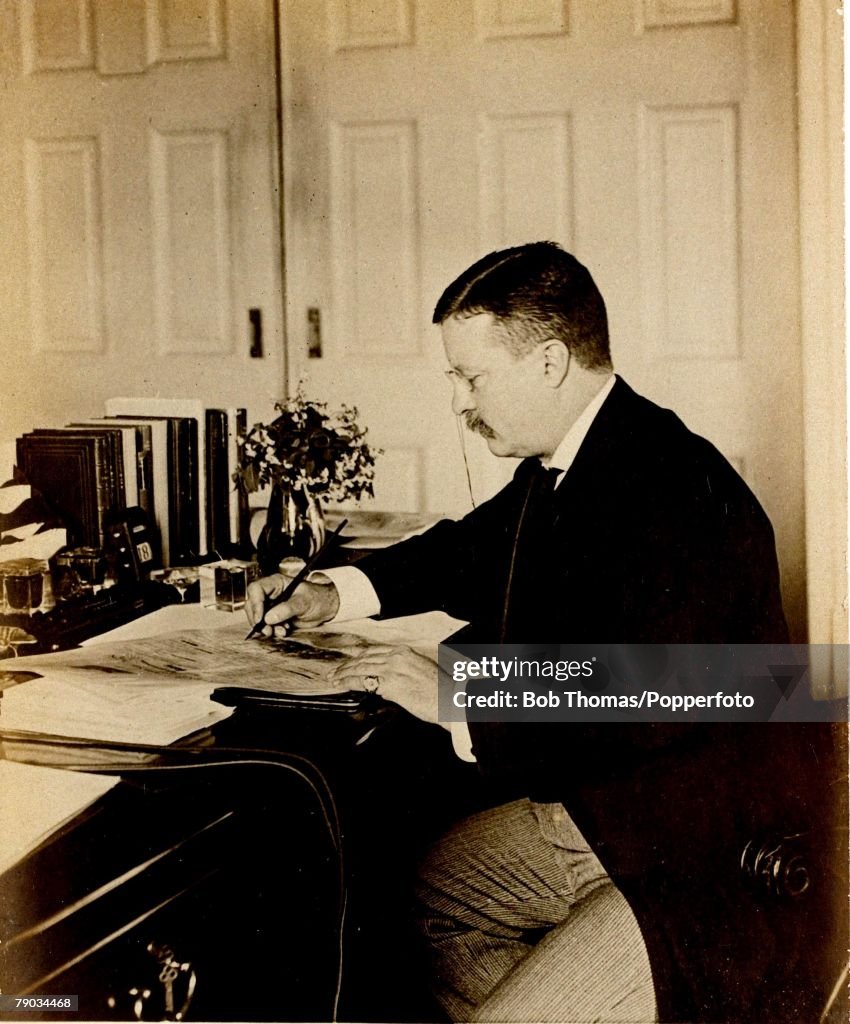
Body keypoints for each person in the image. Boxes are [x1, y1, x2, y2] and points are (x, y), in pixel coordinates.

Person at [246, 243, 835, 1023]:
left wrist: (460, 694)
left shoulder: (676, 489)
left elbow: (651, 690)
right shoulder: (577, 459)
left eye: (472, 376)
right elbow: (470, 548)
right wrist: (336, 592)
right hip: (618, 816)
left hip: (699, 854)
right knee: (426, 898)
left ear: (550, 361)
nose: (460, 401)